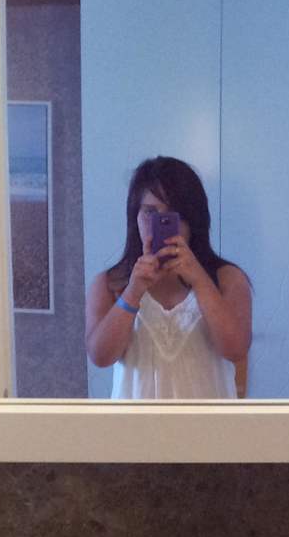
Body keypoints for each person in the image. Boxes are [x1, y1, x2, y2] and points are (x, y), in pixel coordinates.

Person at [85, 156, 252, 399]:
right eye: (150, 212)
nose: (158, 223)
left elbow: (235, 349)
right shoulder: (111, 283)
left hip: (208, 422)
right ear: (135, 216)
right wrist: (133, 292)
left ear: (193, 219)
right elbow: (100, 357)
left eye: (175, 214)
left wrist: (200, 280)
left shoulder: (227, 278)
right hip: (136, 422)